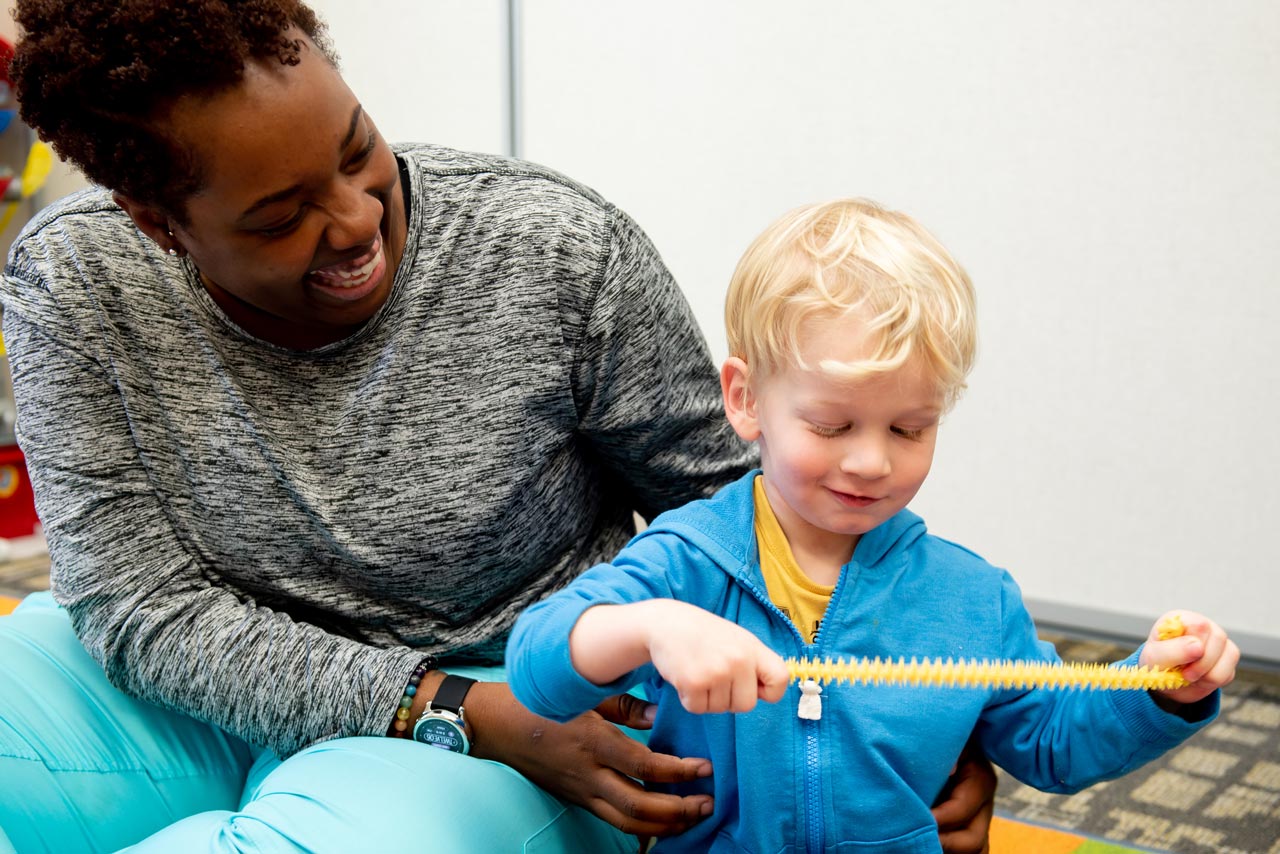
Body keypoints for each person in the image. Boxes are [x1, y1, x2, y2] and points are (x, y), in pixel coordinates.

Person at [0, 3, 1001, 853]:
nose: (354, 218)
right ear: (155, 220)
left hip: (532, 701)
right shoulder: (72, 281)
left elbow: (749, 506)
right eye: (280, 214)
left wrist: (891, 727)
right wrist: (435, 705)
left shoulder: (555, 248)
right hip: (232, 691)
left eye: (357, 149)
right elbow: (140, 606)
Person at [506, 198, 1241, 853]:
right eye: (831, 424)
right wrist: (650, 627)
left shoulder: (971, 599)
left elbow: (1054, 741)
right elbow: (537, 667)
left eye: (908, 428)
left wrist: (1156, 686)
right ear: (746, 399)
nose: (870, 462)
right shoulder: (683, 562)